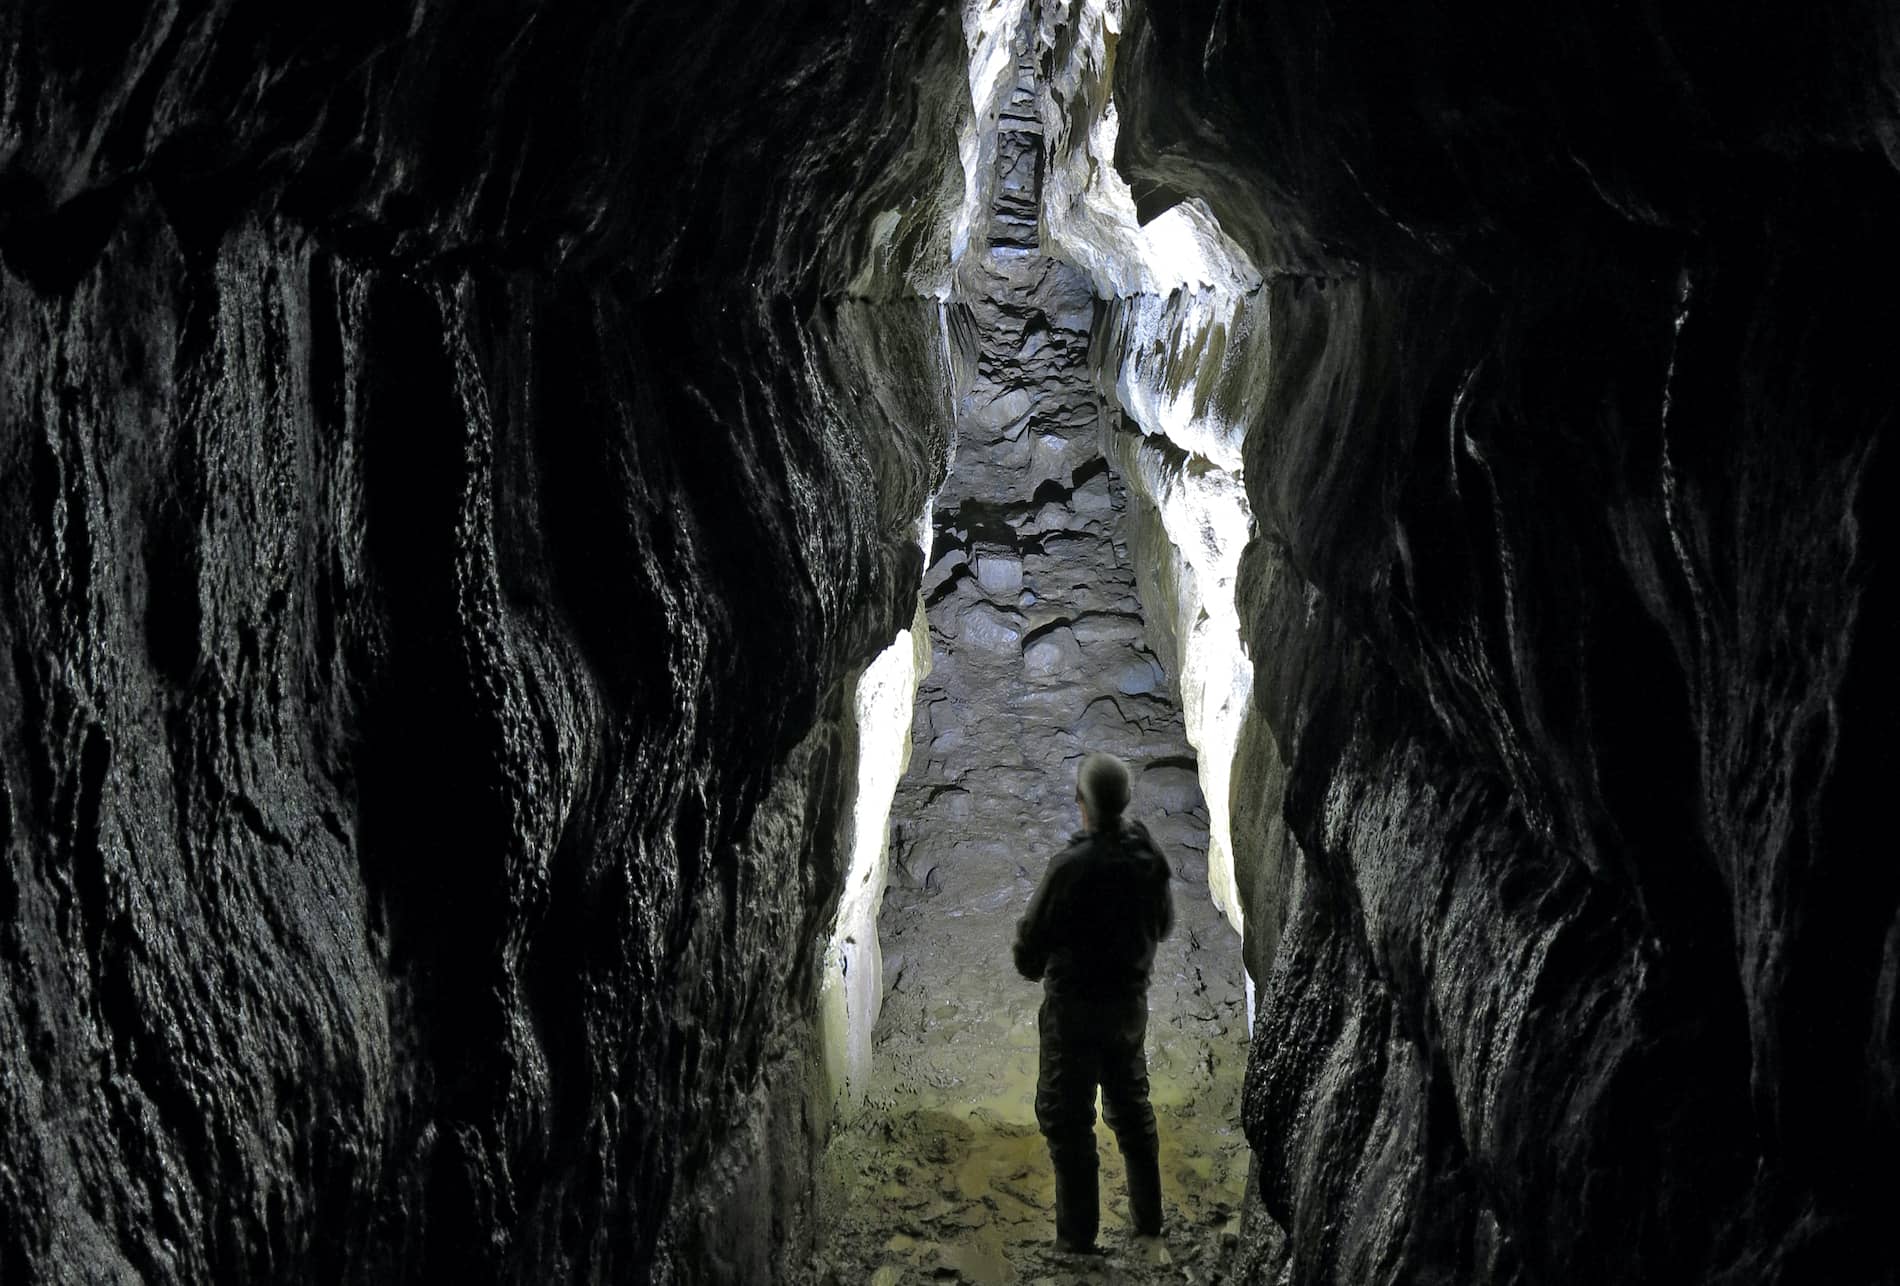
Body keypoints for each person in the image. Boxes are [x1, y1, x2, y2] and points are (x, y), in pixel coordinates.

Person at [1012, 750, 1174, 1253]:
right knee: (1132, 1111)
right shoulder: (1146, 854)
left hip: (1074, 1017)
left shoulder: (1069, 867)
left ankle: (1077, 1239)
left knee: (1069, 1121)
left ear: (1081, 802)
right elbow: (1164, 925)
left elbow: (1028, 953)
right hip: (1128, 1011)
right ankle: (1148, 1221)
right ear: (1124, 802)